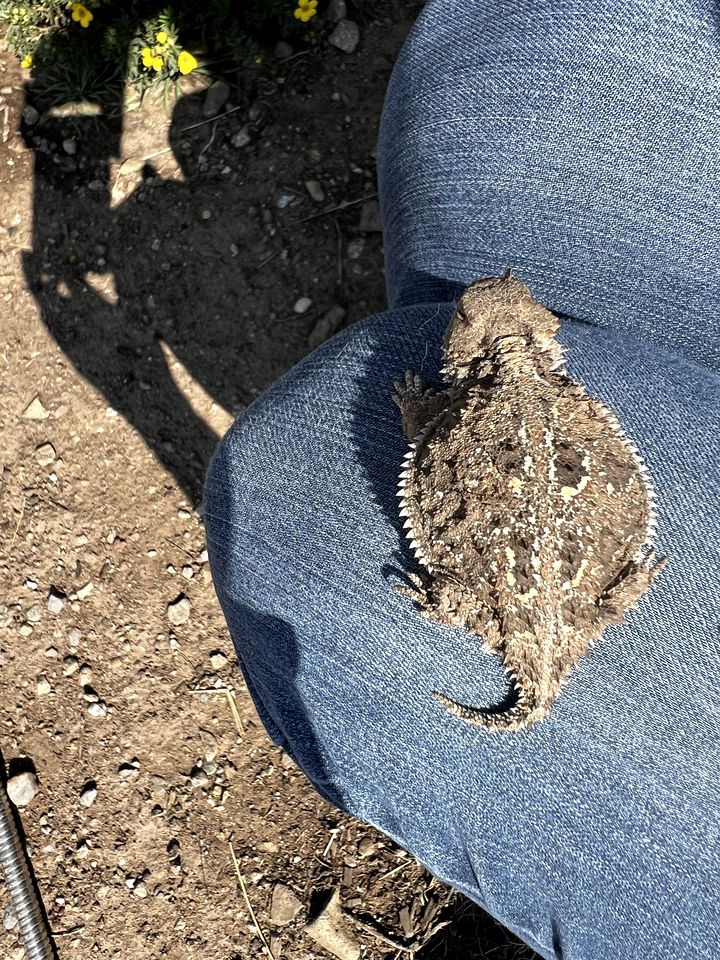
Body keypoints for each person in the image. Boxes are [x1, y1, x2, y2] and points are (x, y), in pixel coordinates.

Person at [202, 2, 720, 957]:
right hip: (570, 560)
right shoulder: (548, 391)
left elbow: (428, 429)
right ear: (540, 342)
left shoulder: (459, 395)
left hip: (567, 582)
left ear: (479, 350)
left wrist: (418, 427)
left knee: (294, 468)